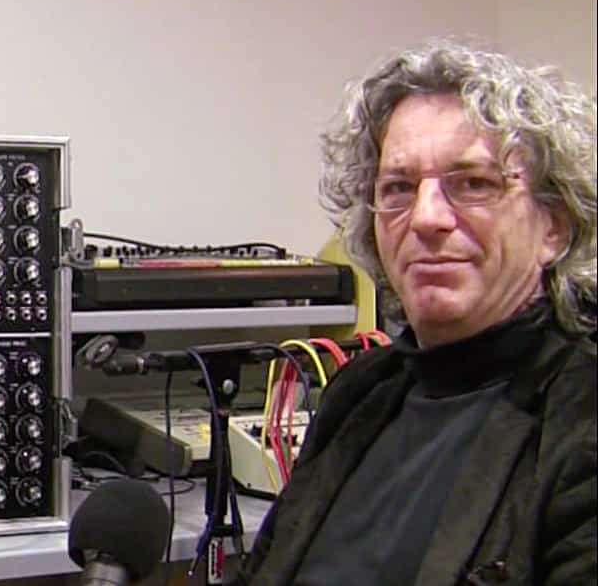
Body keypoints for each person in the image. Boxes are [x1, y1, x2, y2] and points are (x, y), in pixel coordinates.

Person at [237, 40, 597, 585]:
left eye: (474, 183)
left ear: (554, 227)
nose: (426, 218)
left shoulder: (581, 420)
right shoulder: (360, 392)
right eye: (399, 187)